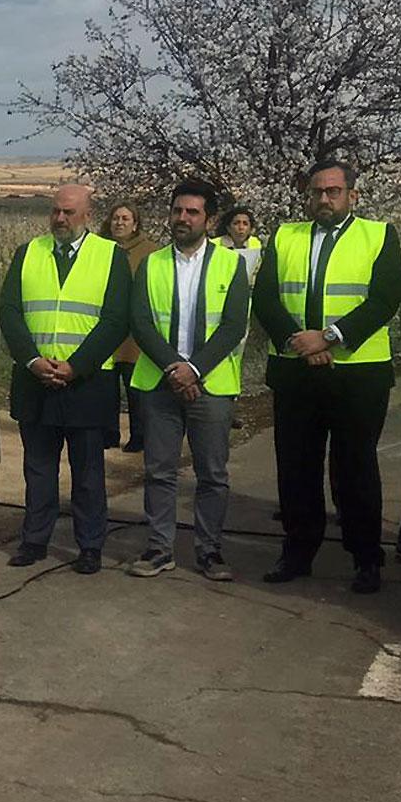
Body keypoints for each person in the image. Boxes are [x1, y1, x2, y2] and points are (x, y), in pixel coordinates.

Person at [252, 160, 401, 593]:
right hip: (296, 369)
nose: (324, 199)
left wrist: (331, 338)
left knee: (354, 468)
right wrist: (297, 340)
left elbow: (385, 298)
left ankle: (365, 557)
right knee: (296, 467)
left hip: (357, 373)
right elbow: (265, 296)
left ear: (352, 195)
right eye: (317, 191)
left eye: (333, 191)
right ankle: (298, 551)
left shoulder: (379, 235)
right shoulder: (286, 235)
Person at [0, 184, 132, 572]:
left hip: (87, 383)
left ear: (88, 215)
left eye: (69, 213)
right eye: (55, 211)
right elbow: (10, 312)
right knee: (38, 469)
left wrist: (76, 366)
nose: (59, 219)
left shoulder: (109, 256)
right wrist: (32, 360)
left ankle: (90, 545)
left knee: (88, 471)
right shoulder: (28, 253)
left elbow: (115, 320)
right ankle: (34, 540)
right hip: (35, 381)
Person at [125, 180, 251, 581]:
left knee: (212, 474)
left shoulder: (232, 265)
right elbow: (140, 322)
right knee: (159, 471)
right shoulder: (153, 263)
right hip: (161, 384)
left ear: (209, 219)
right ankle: (160, 548)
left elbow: (233, 326)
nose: (182, 218)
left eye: (192, 212)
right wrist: (173, 369)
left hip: (211, 386)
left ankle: (209, 550)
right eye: (178, 210)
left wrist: (193, 369)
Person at [104, 203, 158, 452]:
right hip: (106, 329)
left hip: (134, 333)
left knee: (134, 388)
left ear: (135, 223)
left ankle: (140, 435)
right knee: (106, 386)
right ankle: (108, 433)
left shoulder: (150, 252)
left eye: (125, 218)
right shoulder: (100, 248)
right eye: (115, 218)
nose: (119, 223)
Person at [216, 205, 265, 279]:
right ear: (228, 228)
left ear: (250, 229)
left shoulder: (256, 244)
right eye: (236, 223)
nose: (241, 227)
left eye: (245, 224)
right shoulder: (215, 244)